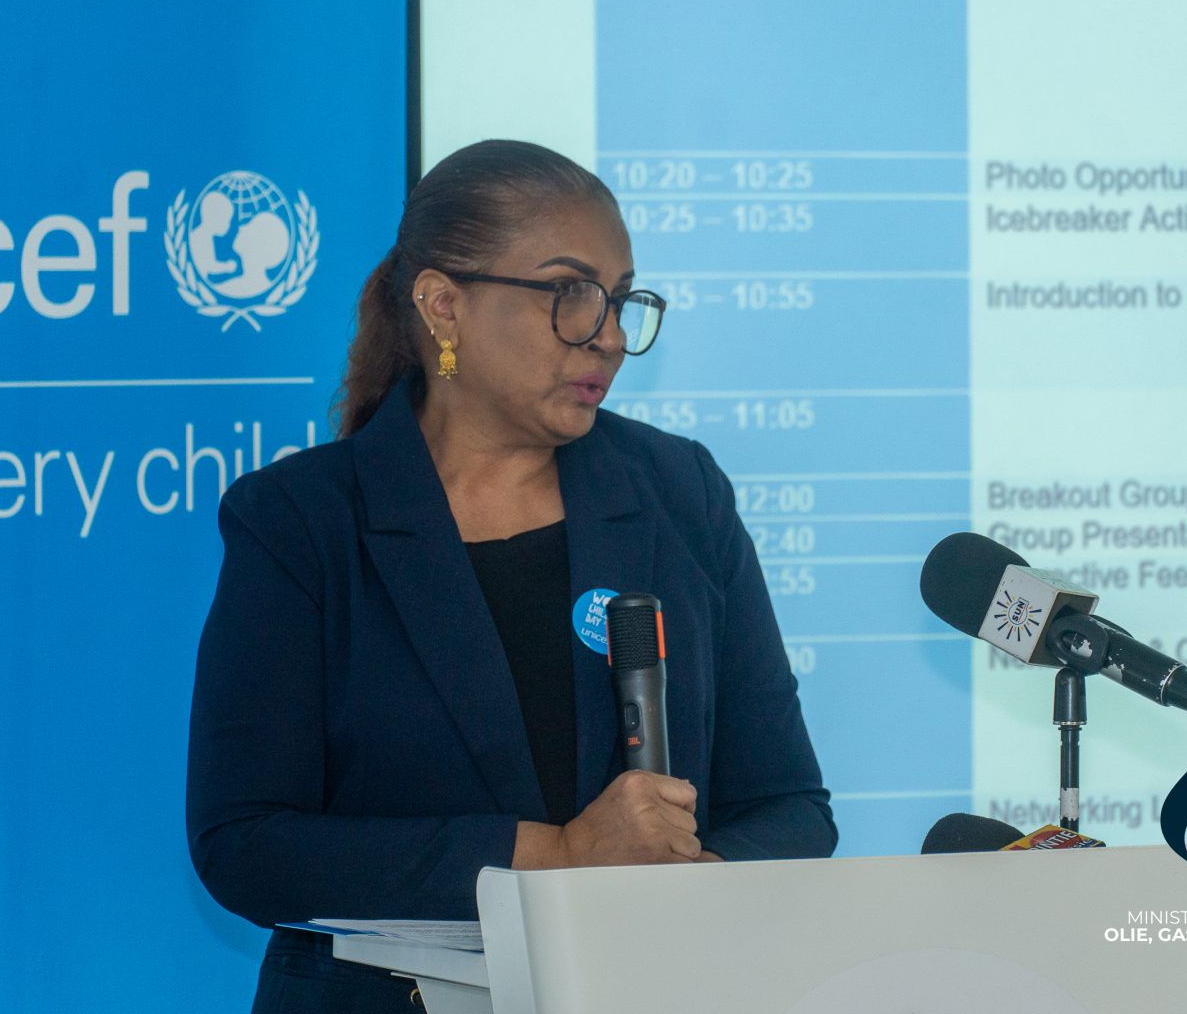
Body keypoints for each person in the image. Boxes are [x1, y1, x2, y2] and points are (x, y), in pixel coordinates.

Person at [186, 139, 836, 1013]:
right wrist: (554, 858)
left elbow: (790, 807)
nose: (610, 336)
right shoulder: (301, 521)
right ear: (443, 305)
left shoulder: (680, 493)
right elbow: (246, 845)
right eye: (570, 294)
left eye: (620, 299)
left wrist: (684, 896)